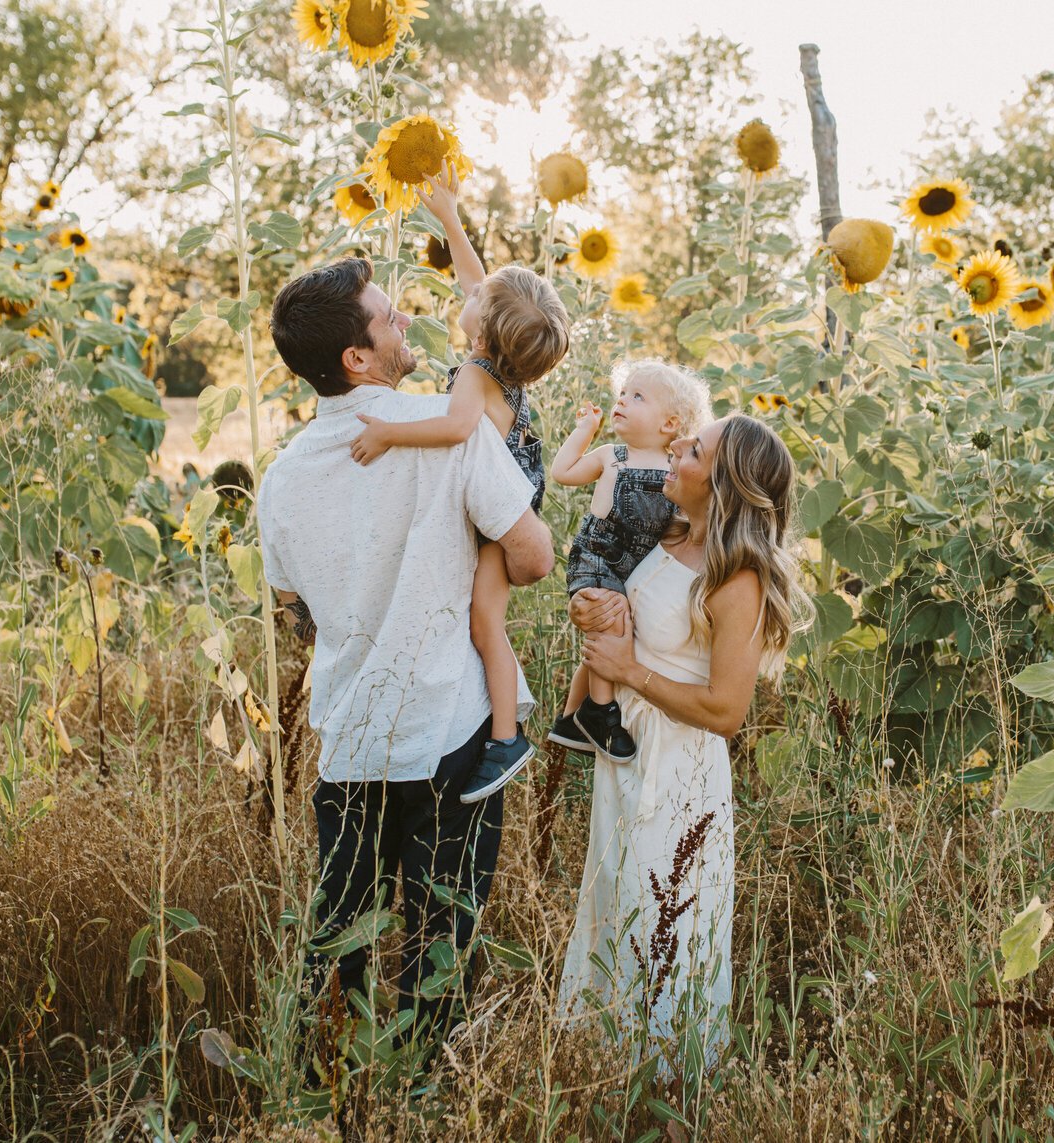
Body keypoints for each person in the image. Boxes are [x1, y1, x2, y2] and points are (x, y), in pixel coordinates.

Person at [256, 256, 554, 1053]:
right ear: (358, 357)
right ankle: (420, 1094)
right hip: (451, 735)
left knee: (339, 951)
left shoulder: (281, 482)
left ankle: (339, 1092)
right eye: (387, 319)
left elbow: (296, 616)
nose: (403, 325)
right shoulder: (449, 430)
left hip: (351, 747)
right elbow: (532, 557)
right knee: (438, 954)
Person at [555, 414, 808, 1069]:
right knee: (617, 915)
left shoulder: (737, 580)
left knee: (665, 931)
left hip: (680, 780)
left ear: (721, 484)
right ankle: (606, 1088)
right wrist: (594, 611)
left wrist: (629, 671)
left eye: (693, 449)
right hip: (628, 760)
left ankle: (671, 1102)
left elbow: (727, 710)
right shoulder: (663, 535)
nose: (674, 448)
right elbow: (613, 601)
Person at [349, 161, 569, 804]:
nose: (464, 293)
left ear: (483, 327)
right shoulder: (502, 356)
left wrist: (390, 434)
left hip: (508, 502)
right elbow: (478, 282)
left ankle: (505, 737)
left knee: (484, 620)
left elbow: (453, 429)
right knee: (480, 615)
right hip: (516, 480)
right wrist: (448, 215)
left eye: (473, 300)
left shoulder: (475, 375)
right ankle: (502, 728)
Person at [546, 360, 710, 761]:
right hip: (599, 558)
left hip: (637, 568)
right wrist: (584, 432)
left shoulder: (676, 470)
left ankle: (570, 718)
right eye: (623, 393)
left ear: (670, 423)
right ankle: (600, 711)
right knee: (608, 619)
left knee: (621, 629)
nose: (622, 400)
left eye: (637, 396)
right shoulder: (611, 455)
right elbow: (562, 472)